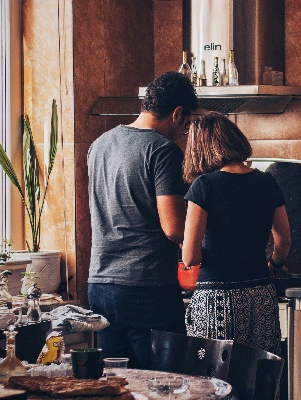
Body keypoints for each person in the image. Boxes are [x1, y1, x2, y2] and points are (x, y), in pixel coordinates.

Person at [87, 71, 197, 368]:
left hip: (100, 284)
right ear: (177, 114)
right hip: (145, 288)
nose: (183, 132)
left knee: (120, 385)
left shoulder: (99, 145)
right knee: (166, 385)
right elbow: (174, 228)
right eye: (186, 124)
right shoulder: (162, 150)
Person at [182, 111, 291, 355]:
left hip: (217, 298)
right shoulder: (267, 182)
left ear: (201, 148)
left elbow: (190, 257)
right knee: (259, 376)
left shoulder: (204, 185)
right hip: (261, 294)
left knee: (215, 381)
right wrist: (274, 265)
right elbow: (283, 241)